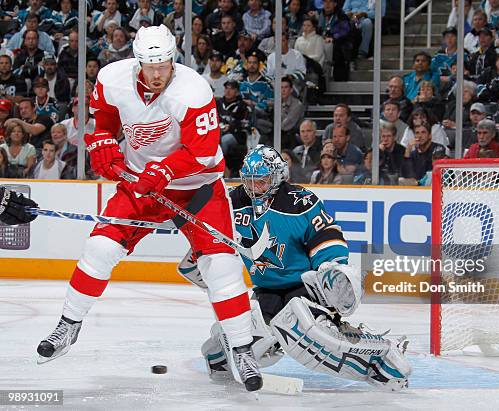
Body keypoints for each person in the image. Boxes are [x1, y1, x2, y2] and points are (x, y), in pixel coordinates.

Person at [35, 25, 262, 392]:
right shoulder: (112, 79)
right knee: (100, 247)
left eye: (164, 65)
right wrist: (102, 142)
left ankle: (241, 348)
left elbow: (202, 153)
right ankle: (68, 325)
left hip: (196, 187)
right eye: (149, 65)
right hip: (140, 184)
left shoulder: (194, 90)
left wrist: (164, 170)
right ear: (137, 61)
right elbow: (103, 121)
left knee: (220, 266)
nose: (157, 74)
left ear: (174, 58)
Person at [178, 145, 411, 389]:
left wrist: (329, 268)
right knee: (242, 340)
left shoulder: (299, 201)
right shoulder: (232, 202)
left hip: (303, 288)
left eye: (262, 181)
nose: (254, 188)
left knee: (309, 337)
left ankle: (383, 359)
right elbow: (211, 238)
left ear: (277, 176)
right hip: (266, 289)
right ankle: (221, 363)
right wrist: (204, 255)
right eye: (249, 180)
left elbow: (325, 236)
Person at [399, 122, 445, 186]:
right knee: (400, 180)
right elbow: (407, 175)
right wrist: (407, 151)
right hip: (416, 187)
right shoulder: (412, 154)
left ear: (430, 135)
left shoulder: (437, 149)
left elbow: (436, 172)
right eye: (417, 133)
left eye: (423, 132)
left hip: (433, 185)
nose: (420, 136)